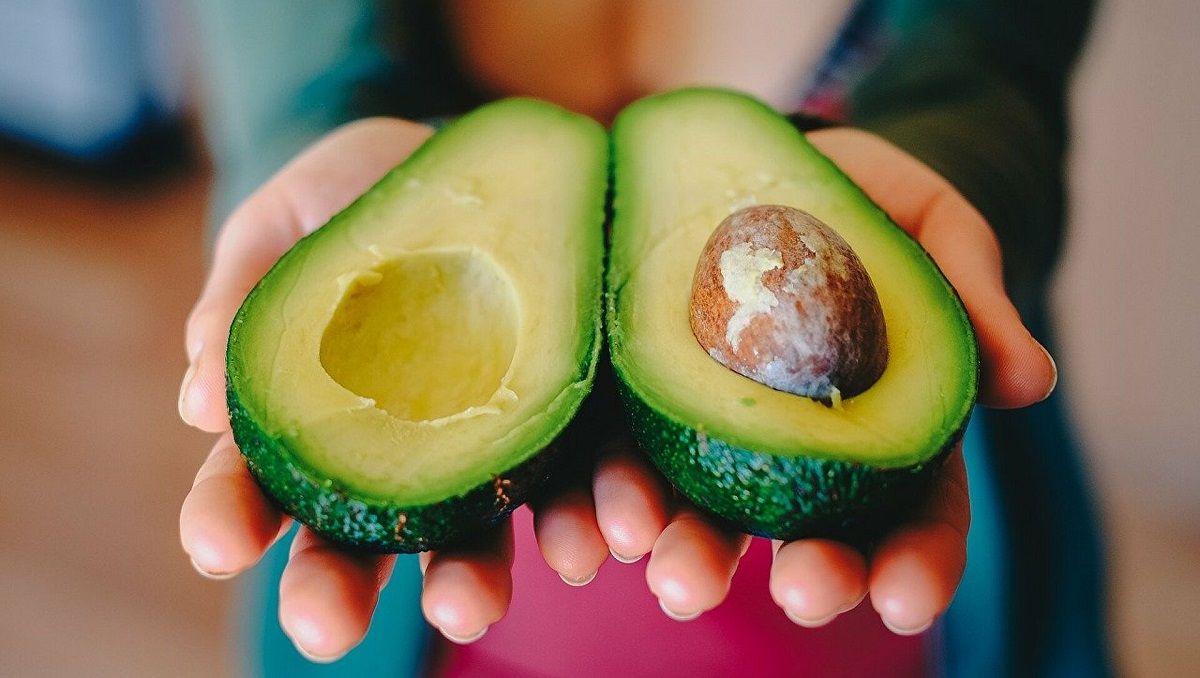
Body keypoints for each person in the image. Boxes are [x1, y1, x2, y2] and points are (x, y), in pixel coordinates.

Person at [178, 1, 1108, 675]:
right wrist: (306, 150)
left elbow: (998, 62)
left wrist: (957, 169)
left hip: (873, 589)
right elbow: (289, 69)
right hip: (439, 610)